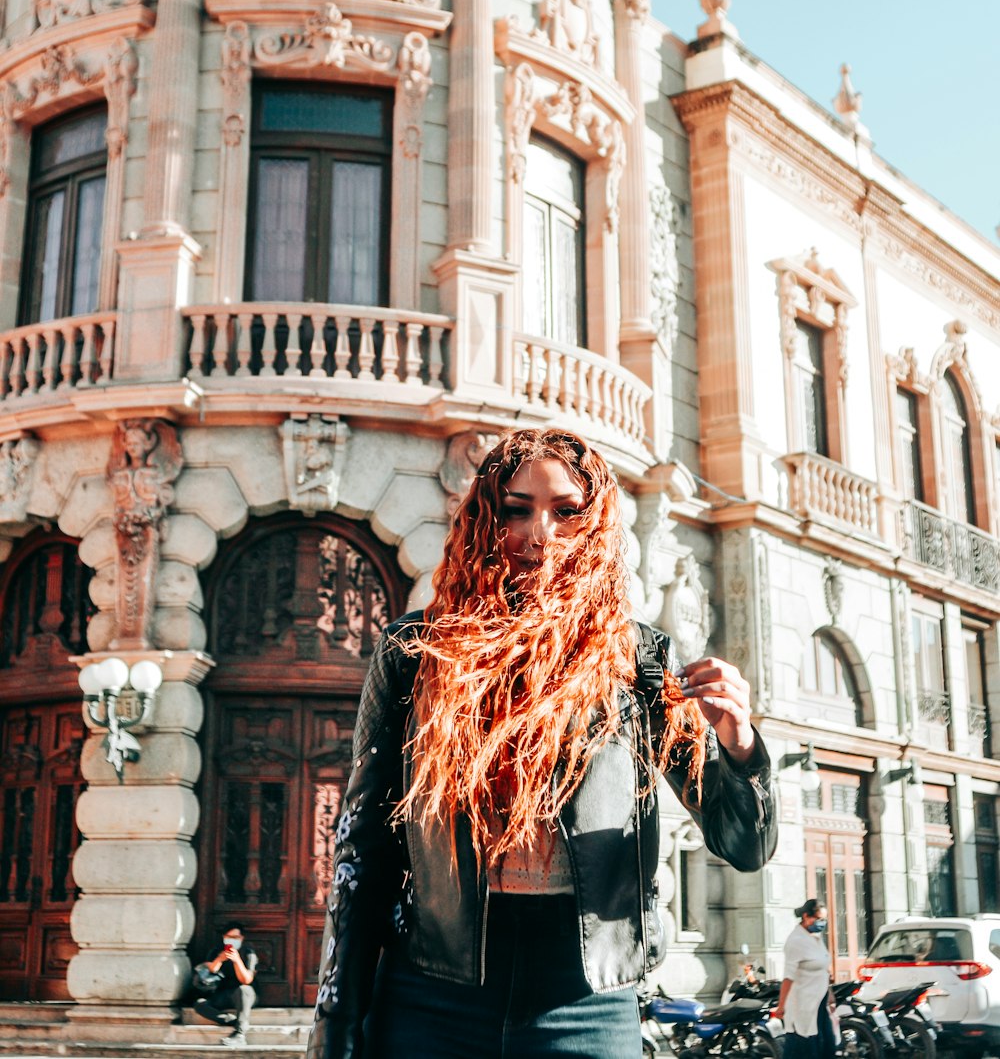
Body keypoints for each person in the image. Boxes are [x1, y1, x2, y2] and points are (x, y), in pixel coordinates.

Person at [308, 427, 778, 1059]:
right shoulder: (416, 651)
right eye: (517, 509)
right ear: (485, 517)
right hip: (432, 989)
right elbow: (363, 849)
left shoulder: (636, 661)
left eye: (565, 511)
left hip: (586, 1000)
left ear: (594, 525)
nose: (540, 533)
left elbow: (743, 843)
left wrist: (740, 742)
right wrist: (338, 1016)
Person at [774, 900, 835, 1059]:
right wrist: (781, 1006)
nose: (822, 923)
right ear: (806, 916)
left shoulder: (815, 938)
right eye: (819, 918)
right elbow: (788, 977)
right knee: (804, 1047)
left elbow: (823, 969)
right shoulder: (796, 941)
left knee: (827, 1045)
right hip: (802, 1004)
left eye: (824, 919)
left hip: (818, 1001)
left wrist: (829, 994)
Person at [193, 925, 258, 1049]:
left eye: (236, 937)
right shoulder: (216, 950)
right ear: (224, 937)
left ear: (242, 938)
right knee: (199, 1004)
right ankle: (231, 1020)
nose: (232, 940)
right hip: (223, 994)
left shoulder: (248, 953)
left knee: (243, 989)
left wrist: (237, 960)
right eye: (229, 937)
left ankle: (240, 1033)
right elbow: (211, 970)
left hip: (245, 995)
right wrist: (220, 959)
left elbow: (246, 980)